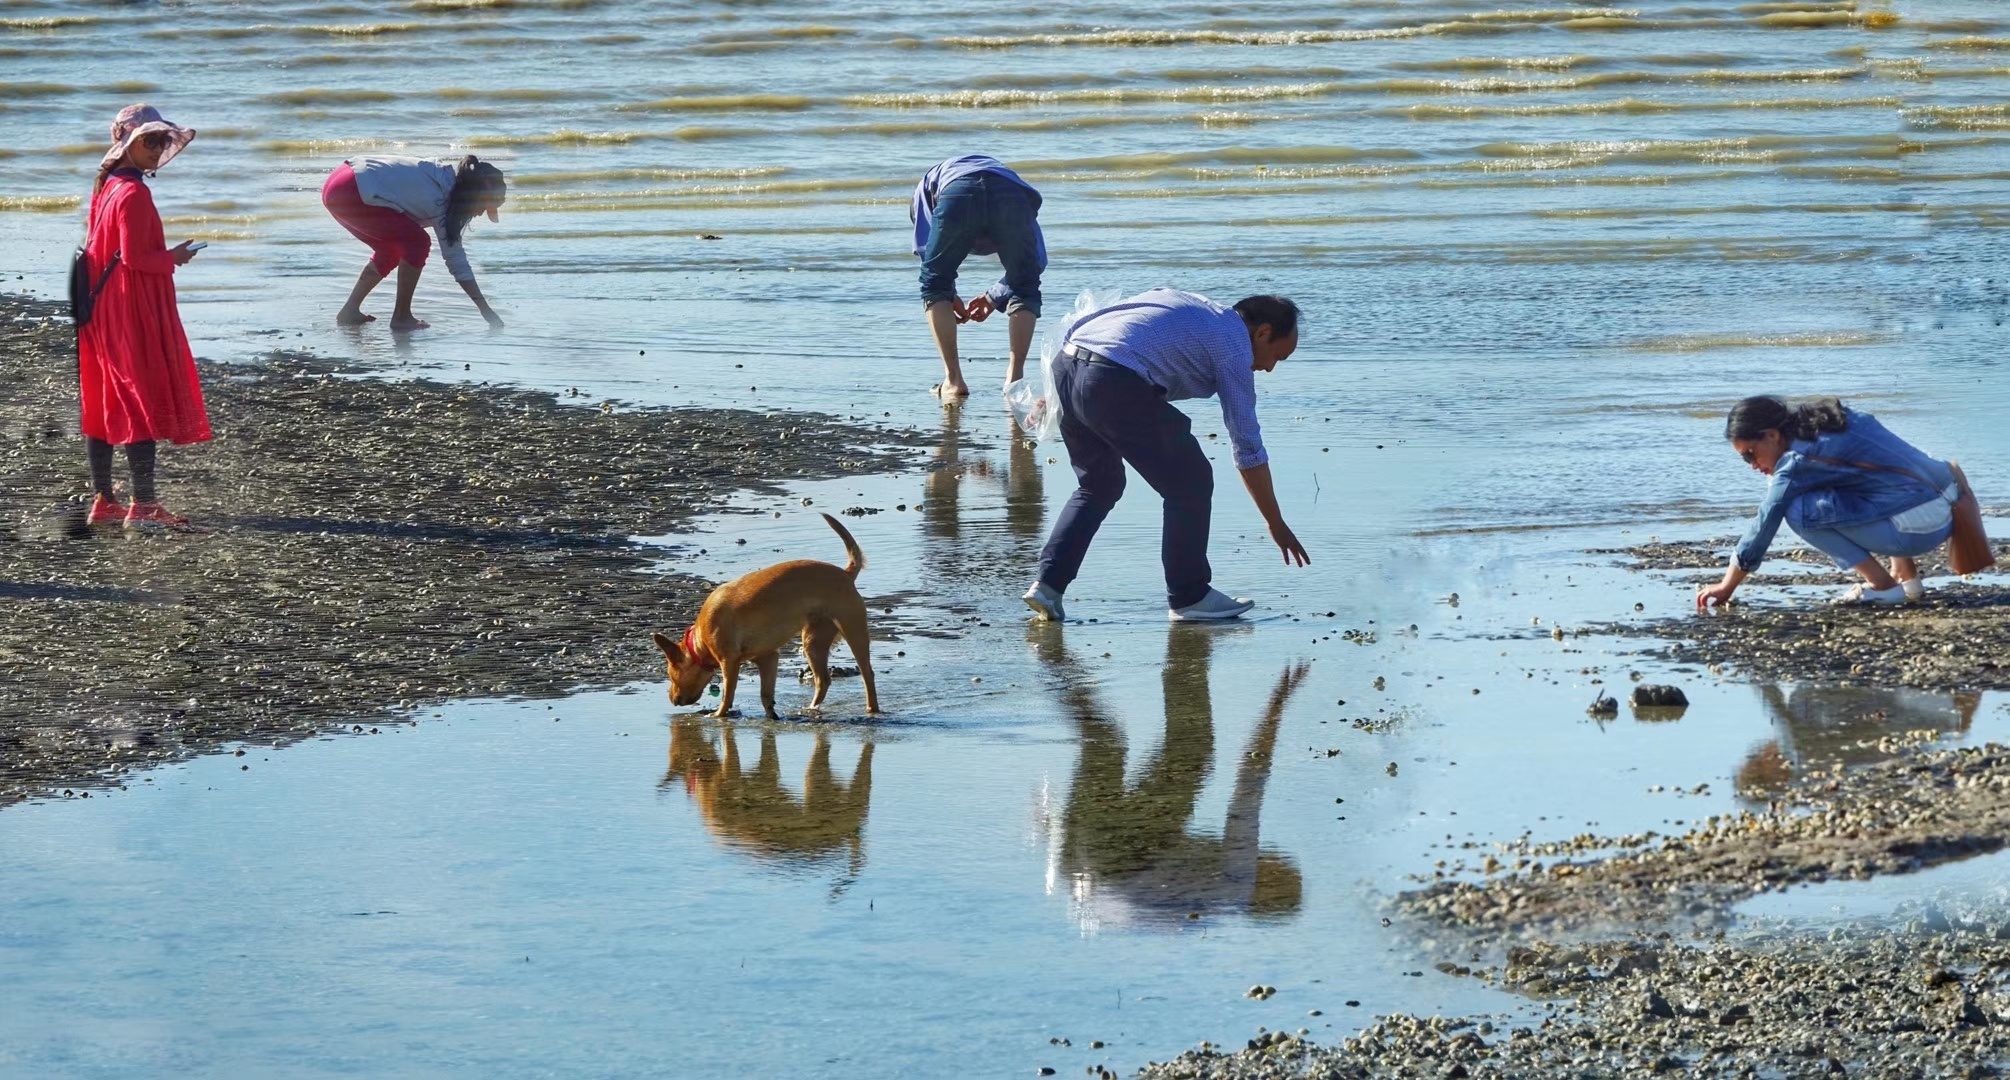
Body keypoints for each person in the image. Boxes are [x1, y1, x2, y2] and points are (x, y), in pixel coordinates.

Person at [1022, 288, 1310, 622]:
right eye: (1278, 356)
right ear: (1262, 333)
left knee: (1099, 485)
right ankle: (1190, 596)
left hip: (1067, 366)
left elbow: (1097, 323)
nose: (1271, 368)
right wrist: (1275, 522)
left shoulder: (1190, 304)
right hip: (1110, 379)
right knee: (1191, 481)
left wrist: (1058, 392)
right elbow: (1246, 443)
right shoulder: (1234, 346)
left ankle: (1048, 585)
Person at [1697, 396, 1963, 608]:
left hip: (1916, 530)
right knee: (1874, 483)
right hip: (1946, 508)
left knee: (1797, 509)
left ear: (1772, 435)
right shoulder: (1836, 421)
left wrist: (1726, 586)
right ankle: (1907, 578)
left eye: (1750, 455)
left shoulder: (1797, 462)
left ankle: (1883, 586)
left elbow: (1765, 522)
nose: (1752, 465)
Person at [77, 104, 209, 530]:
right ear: (127, 143)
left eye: (162, 141)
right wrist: (173, 257)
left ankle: (105, 501)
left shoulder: (107, 185)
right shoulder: (133, 193)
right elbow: (135, 258)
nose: (157, 149)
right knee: (138, 397)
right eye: (148, 141)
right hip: (130, 307)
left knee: (104, 398)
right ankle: (145, 506)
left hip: (101, 307)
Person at [909, 154, 1045, 399]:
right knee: (1026, 284)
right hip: (1011, 195)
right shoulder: (1007, 182)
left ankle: (953, 381)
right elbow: (1034, 264)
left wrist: (946, 291)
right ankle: (1014, 380)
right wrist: (994, 297)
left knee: (934, 283)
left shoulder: (926, 191)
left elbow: (927, 255)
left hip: (957, 192)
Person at [320, 155, 507, 331]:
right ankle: (402, 317)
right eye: (484, 207)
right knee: (418, 243)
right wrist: (485, 310)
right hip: (353, 190)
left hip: (338, 183)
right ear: (475, 194)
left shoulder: (441, 180)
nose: (481, 214)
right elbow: (456, 260)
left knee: (391, 250)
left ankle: (349, 311)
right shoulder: (442, 199)